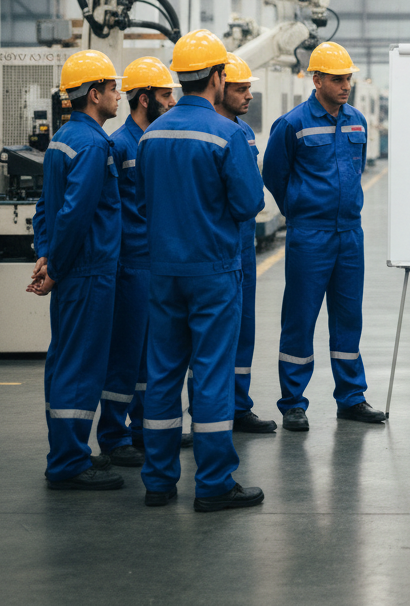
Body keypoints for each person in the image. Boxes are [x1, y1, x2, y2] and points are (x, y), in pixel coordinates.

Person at [137, 30, 266, 512]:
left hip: (163, 271)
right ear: (216, 77)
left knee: (164, 373)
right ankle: (213, 483)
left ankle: (158, 481)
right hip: (213, 270)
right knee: (211, 374)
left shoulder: (151, 134)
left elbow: (144, 202)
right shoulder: (229, 134)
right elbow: (249, 202)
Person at [262, 41, 385, 432]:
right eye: (337, 79)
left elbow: (355, 169)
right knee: (300, 317)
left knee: (349, 318)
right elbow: (274, 176)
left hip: (350, 234)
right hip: (309, 236)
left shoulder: (357, 121)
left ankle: (351, 397)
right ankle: (293, 402)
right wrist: (298, 208)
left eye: (348, 78)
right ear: (316, 80)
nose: (346, 85)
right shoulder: (292, 124)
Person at [29, 50, 124, 491]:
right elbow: (75, 213)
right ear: (93, 93)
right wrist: (59, 267)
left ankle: (67, 452)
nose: (118, 96)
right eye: (112, 88)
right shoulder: (93, 144)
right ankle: (69, 461)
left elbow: (46, 208)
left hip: (73, 266)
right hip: (88, 270)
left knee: (64, 359)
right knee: (81, 366)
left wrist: (45, 254)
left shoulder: (63, 139)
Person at [96, 57, 178, 468]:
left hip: (159, 261)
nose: (171, 101)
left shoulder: (160, 140)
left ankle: (145, 428)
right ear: (144, 98)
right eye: (165, 95)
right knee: (125, 354)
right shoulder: (119, 145)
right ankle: (112, 435)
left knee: (153, 354)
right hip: (130, 264)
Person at [205, 52, 277, 434]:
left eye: (250, 88)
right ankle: (212, 410)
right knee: (211, 336)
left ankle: (238, 405)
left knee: (243, 329)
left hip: (244, 245)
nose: (248, 95)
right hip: (218, 245)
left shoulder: (246, 133)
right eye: (240, 88)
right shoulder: (212, 130)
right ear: (218, 88)